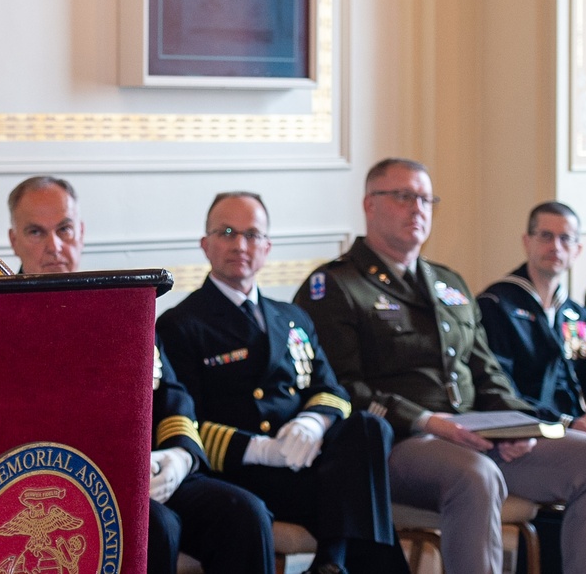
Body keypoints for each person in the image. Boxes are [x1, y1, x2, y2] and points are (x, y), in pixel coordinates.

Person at [293, 158, 586, 574]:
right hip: (399, 443)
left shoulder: (448, 283)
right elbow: (340, 388)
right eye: (403, 196)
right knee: (476, 477)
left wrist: (522, 426)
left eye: (425, 198)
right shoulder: (335, 286)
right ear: (370, 205)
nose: (417, 208)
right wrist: (426, 420)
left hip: (477, 432)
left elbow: (487, 371)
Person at [7, 176, 274, 573]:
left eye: (64, 229)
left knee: (244, 513)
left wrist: (181, 455)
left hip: (146, 471)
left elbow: (171, 393)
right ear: (13, 240)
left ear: (80, 232)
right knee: (156, 527)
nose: (55, 246)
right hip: (58, 486)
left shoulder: (120, 311)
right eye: (36, 232)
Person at [156, 191, 408, 574]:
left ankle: (330, 562)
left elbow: (332, 391)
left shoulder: (292, 317)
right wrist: (259, 449)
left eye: (252, 235)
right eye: (227, 233)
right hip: (243, 472)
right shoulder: (181, 324)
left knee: (370, 428)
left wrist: (313, 422)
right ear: (205, 245)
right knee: (361, 500)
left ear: (268, 247)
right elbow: (185, 421)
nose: (240, 245)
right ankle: (337, 564)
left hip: (303, 463)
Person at [478, 201, 586, 431]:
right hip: (524, 425)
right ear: (527, 241)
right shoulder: (496, 304)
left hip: (575, 424)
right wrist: (565, 423)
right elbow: (497, 386)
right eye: (546, 236)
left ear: (577, 250)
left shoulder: (575, 313)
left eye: (565, 238)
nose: (556, 246)